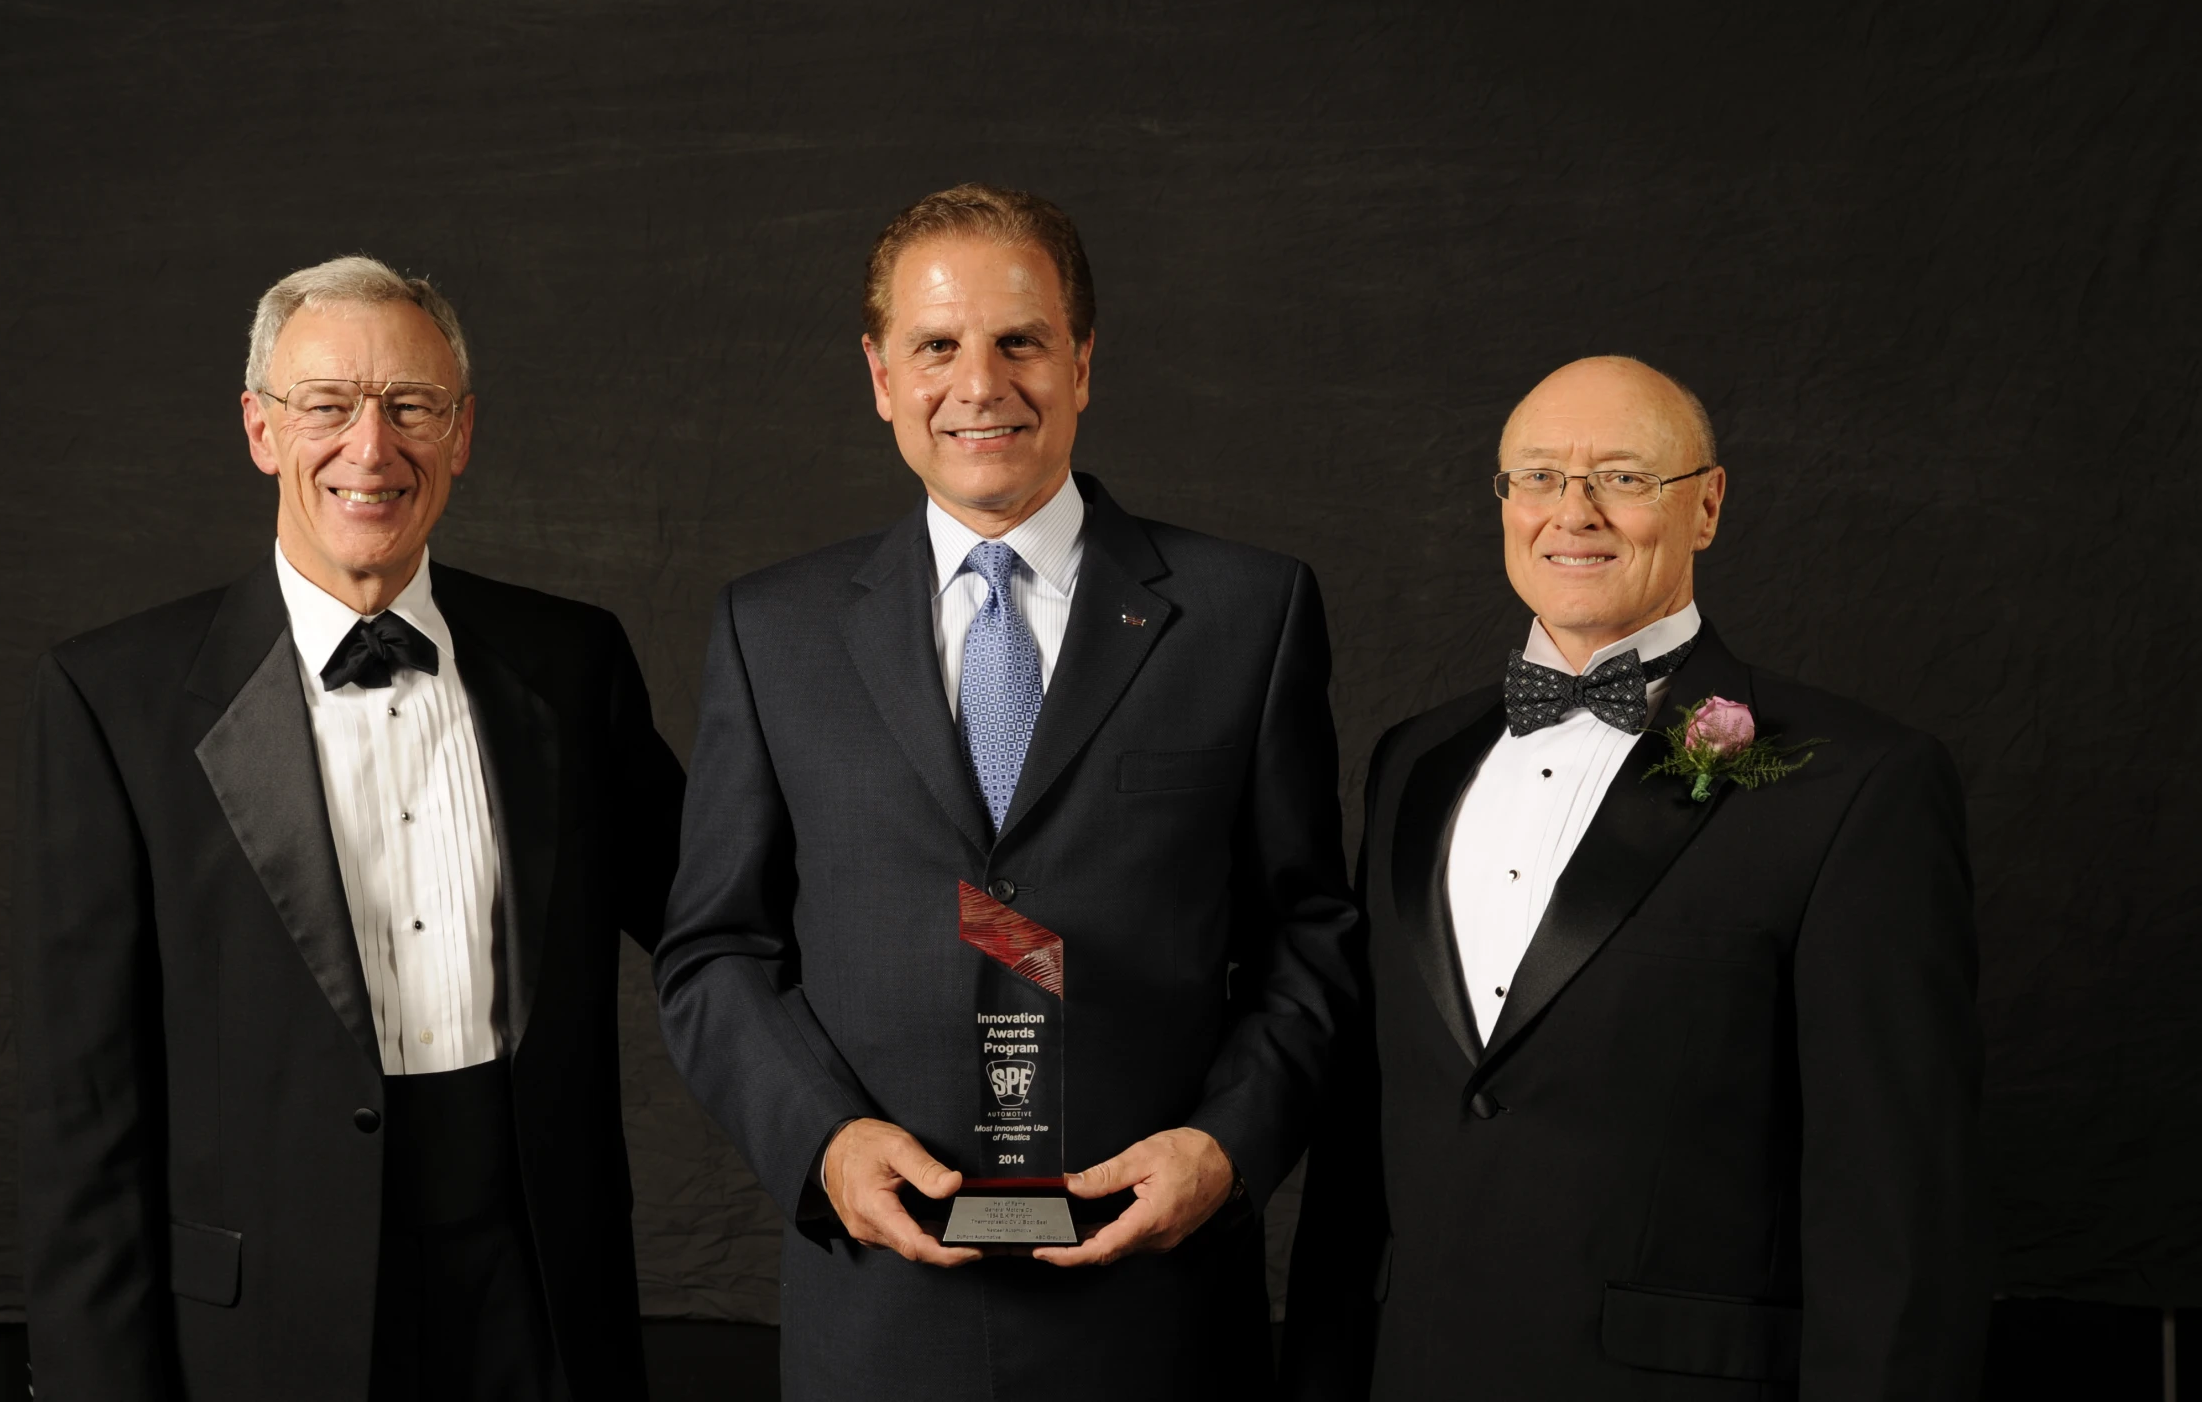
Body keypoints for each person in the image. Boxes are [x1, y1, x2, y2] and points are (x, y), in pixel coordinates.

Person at [653, 184, 1359, 1399]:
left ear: (1082, 364)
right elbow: (715, 946)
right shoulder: (773, 630)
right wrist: (822, 1145)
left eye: (1020, 341)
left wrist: (1225, 1150)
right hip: (881, 1317)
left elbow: (1311, 936)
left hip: (1155, 1311)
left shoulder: (1248, 615)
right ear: (880, 376)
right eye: (937, 345)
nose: (980, 384)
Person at [15, 256, 685, 1401]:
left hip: (537, 1305)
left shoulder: (573, 664)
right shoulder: (112, 698)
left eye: (411, 406)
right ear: (260, 430)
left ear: (462, 432)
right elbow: (85, 1110)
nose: (371, 449)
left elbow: (713, 922)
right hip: (258, 1328)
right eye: (325, 406)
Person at [1281, 356, 1986, 1399]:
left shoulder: (1859, 782)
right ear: (1503, 501)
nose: (1574, 512)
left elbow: (1896, 1200)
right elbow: (1361, 1141)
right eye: (1537, 477)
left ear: (1705, 505)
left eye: (1621, 476)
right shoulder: (1411, 761)